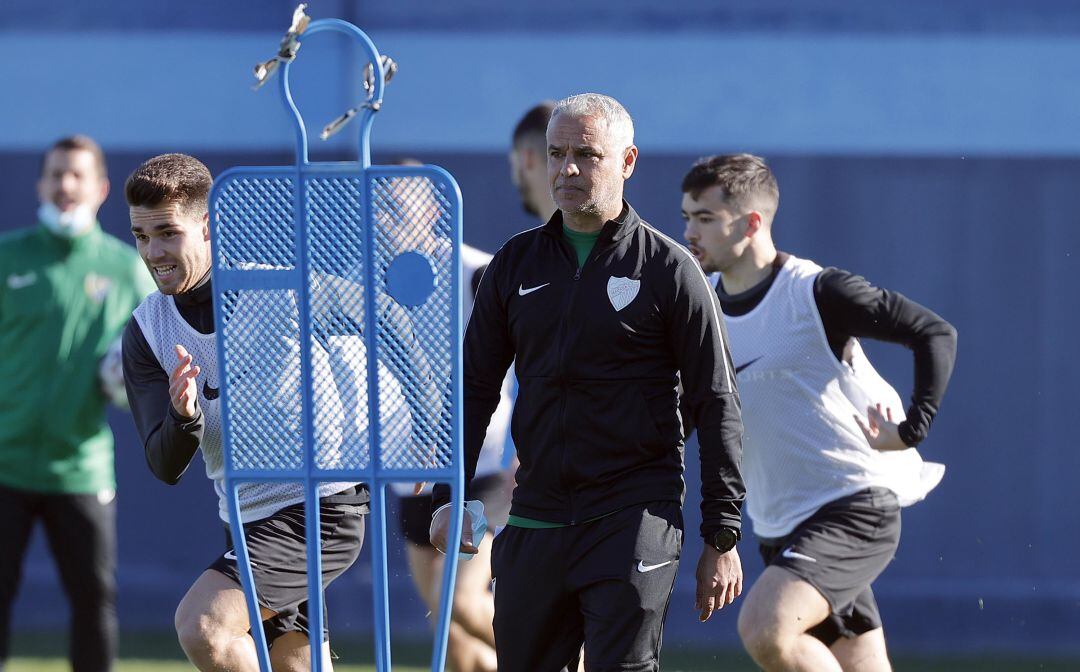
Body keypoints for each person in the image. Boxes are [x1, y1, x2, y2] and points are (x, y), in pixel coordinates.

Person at [431, 93, 746, 671]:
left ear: (627, 162)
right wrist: (452, 494)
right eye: (556, 154)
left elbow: (716, 401)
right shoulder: (514, 264)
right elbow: (474, 386)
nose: (567, 169)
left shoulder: (670, 270)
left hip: (634, 517)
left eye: (587, 154)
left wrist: (721, 536)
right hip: (534, 518)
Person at [121, 153, 425, 671]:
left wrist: (423, 432)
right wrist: (184, 416)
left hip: (321, 505)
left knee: (204, 626)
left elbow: (386, 316)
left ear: (208, 224)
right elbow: (164, 464)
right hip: (244, 517)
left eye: (168, 233)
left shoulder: (284, 288)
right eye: (142, 237)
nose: (154, 252)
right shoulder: (147, 330)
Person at [680, 154, 957, 672]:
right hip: (779, 523)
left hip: (854, 506)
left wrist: (911, 429)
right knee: (857, 662)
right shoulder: (703, 312)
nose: (690, 232)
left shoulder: (816, 292)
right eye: (686, 217)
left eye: (705, 218)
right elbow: (688, 413)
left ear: (751, 222)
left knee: (766, 629)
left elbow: (935, 333)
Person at [0, 135, 154, 672]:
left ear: (101, 188)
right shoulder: (7, 257)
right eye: (56, 174)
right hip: (5, 465)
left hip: (81, 468)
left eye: (77, 175)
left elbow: (149, 362)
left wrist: (126, 381)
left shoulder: (127, 268)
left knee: (94, 602)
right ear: (41, 183)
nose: (66, 185)